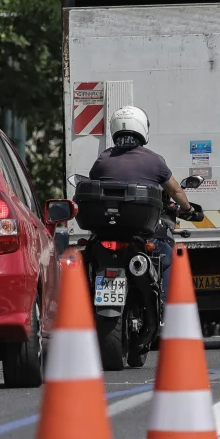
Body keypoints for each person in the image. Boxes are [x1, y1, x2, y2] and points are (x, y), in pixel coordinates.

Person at [87, 105, 202, 296]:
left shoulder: (102, 159)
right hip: (142, 233)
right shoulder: (154, 160)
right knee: (165, 256)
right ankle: (165, 307)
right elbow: (175, 190)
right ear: (142, 128)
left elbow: (94, 184)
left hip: (106, 231)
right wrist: (188, 209)